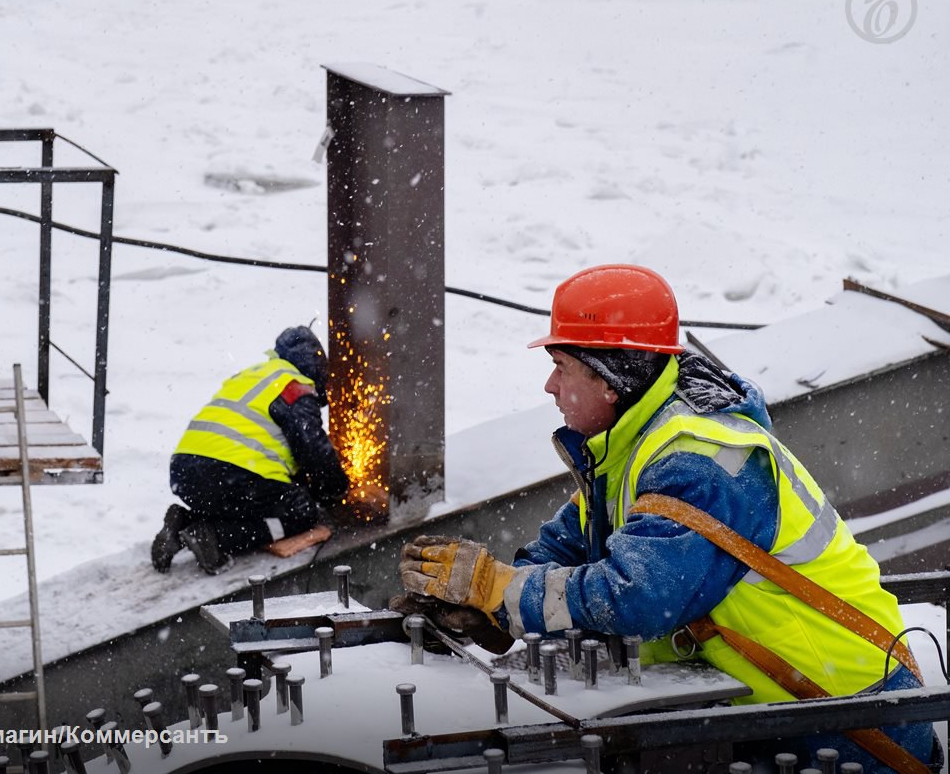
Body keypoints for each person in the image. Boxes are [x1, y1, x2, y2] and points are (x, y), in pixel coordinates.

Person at [399, 264, 936, 772]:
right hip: (775, 703)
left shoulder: (699, 460)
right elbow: (574, 543)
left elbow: (638, 595)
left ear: (610, 380)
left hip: (847, 719)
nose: (550, 387)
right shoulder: (633, 446)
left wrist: (500, 589)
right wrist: (485, 606)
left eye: (560, 367)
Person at [153, 325, 350, 574]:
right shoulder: (295, 385)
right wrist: (337, 488)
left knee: (245, 505)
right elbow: (312, 446)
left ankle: (184, 523)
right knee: (300, 512)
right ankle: (215, 537)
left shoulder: (254, 375)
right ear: (316, 368)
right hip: (231, 472)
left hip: (186, 471)